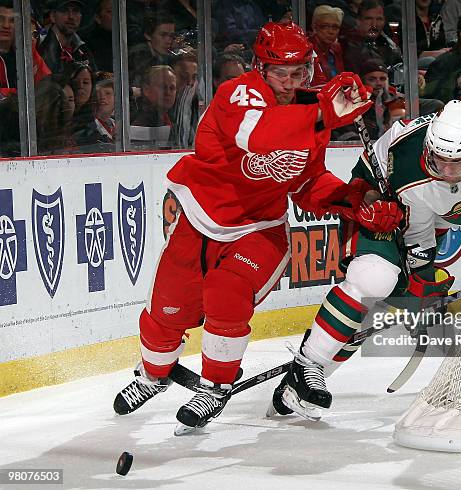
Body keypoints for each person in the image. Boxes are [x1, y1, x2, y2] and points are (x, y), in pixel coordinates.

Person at [113, 22, 402, 434]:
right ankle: (153, 375)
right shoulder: (239, 93)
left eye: (298, 73)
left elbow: (305, 181)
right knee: (165, 312)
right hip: (199, 217)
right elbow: (258, 137)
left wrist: (355, 201)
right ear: (260, 68)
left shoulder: (310, 111)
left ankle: (215, 386)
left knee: (227, 294)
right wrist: (323, 113)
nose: (288, 82)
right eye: (279, 73)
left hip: (260, 227)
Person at [269, 99, 461, 420]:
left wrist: (422, 276)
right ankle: (309, 365)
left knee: (377, 307)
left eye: (458, 162)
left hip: (433, 218)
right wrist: (373, 209)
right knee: (374, 278)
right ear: (429, 146)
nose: (448, 171)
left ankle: (300, 385)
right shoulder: (408, 158)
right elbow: (387, 205)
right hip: (382, 205)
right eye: (439, 160)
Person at [0, 0, 50, 96]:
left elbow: (48, 86)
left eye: (12, 20)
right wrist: (15, 94)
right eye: (1, 19)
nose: (6, 25)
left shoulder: (26, 52)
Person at [341, 0, 402, 73]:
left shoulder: (388, 44)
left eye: (379, 19)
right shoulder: (348, 46)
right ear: (358, 21)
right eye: (368, 19)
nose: (374, 24)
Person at [37, 0, 97, 74]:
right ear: (52, 16)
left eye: (75, 11)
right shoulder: (41, 46)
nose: (71, 17)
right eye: (64, 11)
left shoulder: (84, 50)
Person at [309, 5, 345, 86]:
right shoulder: (308, 49)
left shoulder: (336, 49)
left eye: (335, 27)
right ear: (314, 27)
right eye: (325, 26)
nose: (331, 31)